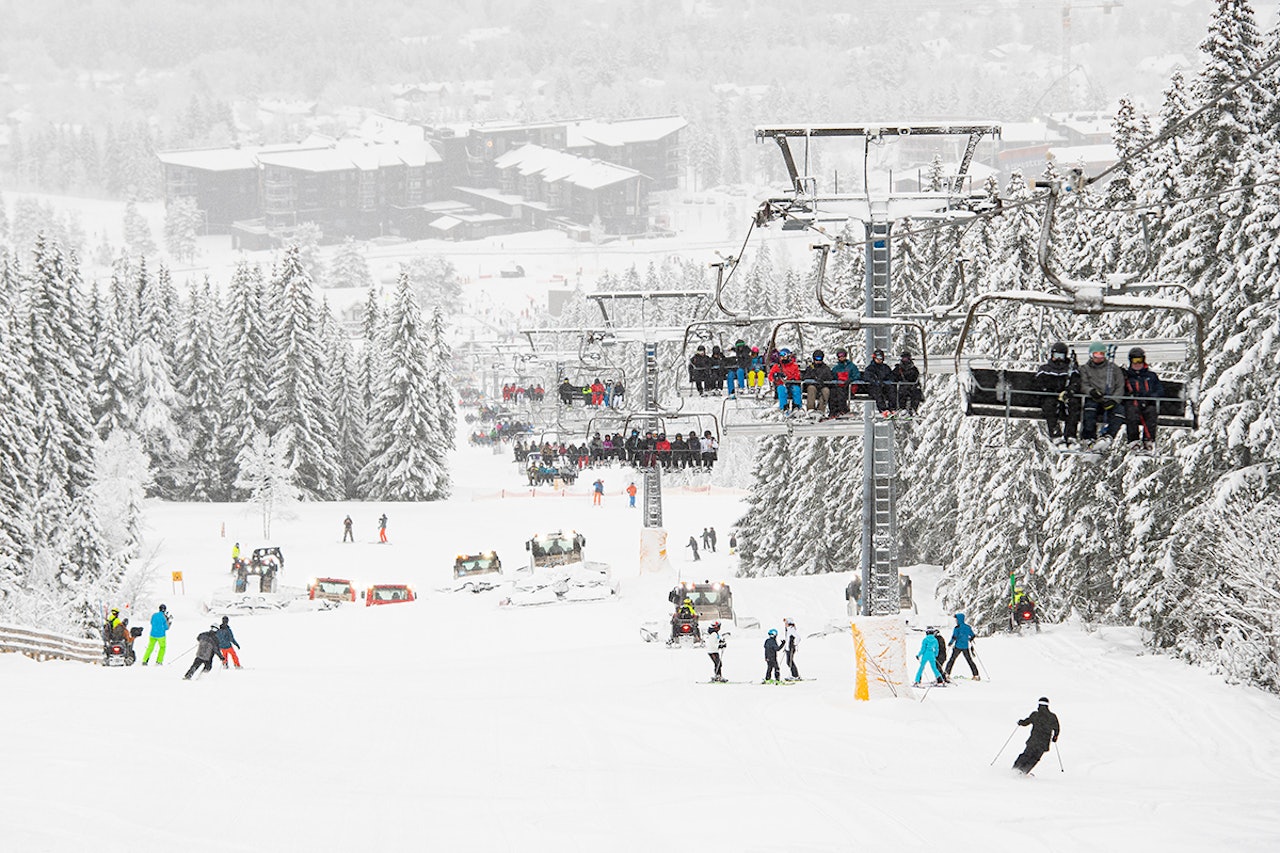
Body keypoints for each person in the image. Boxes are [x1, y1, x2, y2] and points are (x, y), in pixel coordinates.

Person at [1079, 342, 1125, 448]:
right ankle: (1088, 436)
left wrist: (1114, 399)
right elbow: (1083, 384)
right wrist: (1091, 392)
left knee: (1119, 411)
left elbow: (1120, 385)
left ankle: (1109, 436)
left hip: (1109, 399)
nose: (1099, 357)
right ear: (1091, 355)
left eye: (1102, 354)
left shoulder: (1113, 369)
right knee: (1090, 409)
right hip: (1094, 398)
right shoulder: (1085, 369)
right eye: (1096, 355)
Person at [1035, 341, 1081, 448]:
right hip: (1050, 397)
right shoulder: (1045, 369)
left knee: (1073, 404)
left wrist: (1070, 391)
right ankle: (1056, 434)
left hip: (1065, 397)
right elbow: (1039, 383)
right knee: (1050, 405)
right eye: (1056, 356)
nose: (1059, 359)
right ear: (1052, 355)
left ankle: (1070, 435)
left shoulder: (1071, 369)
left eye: (1061, 356)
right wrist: (1051, 391)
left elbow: (1076, 382)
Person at [1123, 347, 1164, 450]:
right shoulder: (1127, 377)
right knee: (1131, 412)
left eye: (1139, 360)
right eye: (1134, 361)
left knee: (1151, 412)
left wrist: (1150, 397)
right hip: (1133, 404)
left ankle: (1148, 440)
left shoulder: (1150, 376)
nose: (1137, 364)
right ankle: (1133, 441)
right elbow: (1120, 390)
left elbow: (1159, 390)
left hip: (1148, 403)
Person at [1012, 697, 1061, 775]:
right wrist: (1055, 737)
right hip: (1044, 743)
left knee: (1026, 755)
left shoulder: (1035, 714)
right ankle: (1024, 771)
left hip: (1033, 741)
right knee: (1035, 758)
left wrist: (1020, 722)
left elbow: (1026, 722)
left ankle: (1015, 769)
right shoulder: (1052, 717)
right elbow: (1057, 728)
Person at [944, 612, 980, 680]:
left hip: (958, 646)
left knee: (952, 660)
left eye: (956, 619)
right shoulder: (968, 627)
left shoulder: (957, 628)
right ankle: (976, 675)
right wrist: (969, 639)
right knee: (970, 661)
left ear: (959, 619)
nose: (956, 621)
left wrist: (950, 643)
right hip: (965, 647)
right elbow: (972, 635)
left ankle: (946, 674)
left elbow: (954, 637)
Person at [828, 349, 860, 417]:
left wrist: (850, 379)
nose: (841, 357)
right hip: (839, 387)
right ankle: (833, 411)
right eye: (839, 356)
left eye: (843, 355)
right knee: (833, 392)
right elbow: (832, 377)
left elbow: (857, 375)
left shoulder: (851, 366)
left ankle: (843, 410)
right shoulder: (836, 368)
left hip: (849, 387)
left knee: (840, 392)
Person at [890, 352, 923, 416]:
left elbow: (916, 379)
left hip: (911, 388)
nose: (905, 361)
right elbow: (893, 378)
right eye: (904, 359)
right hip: (901, 388)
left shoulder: (914, 370)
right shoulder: (898, 369)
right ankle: (902, 409)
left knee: (917, 392)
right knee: (902, 391)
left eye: (906, 359)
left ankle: (913, 409)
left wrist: (914, 385)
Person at [802, 349, 834, 414]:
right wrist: (813, 379)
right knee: (811, 388)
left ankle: (821, 410)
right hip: (813, 386)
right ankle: (810, 409)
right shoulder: (810, 368)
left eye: (820, 359)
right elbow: (805, 377)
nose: (818, 361)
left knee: (826, 390)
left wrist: (823, 379)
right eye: (817, 358)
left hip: (822, 386)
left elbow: (830, 378)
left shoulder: (825, 368)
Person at [864, 349, 894, 414]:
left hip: (884, 387)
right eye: (877, 358)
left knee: (892, 390)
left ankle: (892, 408)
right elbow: (867, 377)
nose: (879, 360)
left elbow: (891, 376)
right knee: (878, 392)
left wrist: (887, 381)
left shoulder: (885, 368)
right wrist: (875, 381)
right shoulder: (870, 368)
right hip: (873, 387)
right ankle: (883, 409)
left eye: (881, 358)